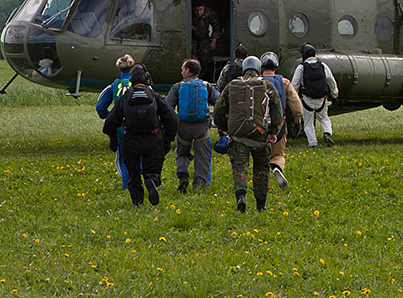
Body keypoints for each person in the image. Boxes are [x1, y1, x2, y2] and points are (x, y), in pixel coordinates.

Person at [213, 55, 283, 212]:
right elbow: (278, 111)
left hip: (238, 136)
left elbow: (218, 111)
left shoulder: (232, 85)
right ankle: (261, 205)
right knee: (261, 170)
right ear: (259, 68)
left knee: (240, 168)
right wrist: (272, 132)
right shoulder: (266, 86)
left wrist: (226, 128)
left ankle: (241, 197)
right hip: (261, 136)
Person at [103, 64, 178, 206]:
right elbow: (172, 119)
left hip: (131, 140)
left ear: (131, 80)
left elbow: (109, 123)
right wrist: (168, 140)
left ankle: (138, 203)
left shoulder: (124, 99)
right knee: (153, 169)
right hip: (152, 139)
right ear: (147, 79)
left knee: (133, 175)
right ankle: (152, 180)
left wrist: (113, 139)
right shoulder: (154, 97)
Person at [165, 58, 219, 193]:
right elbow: (219, 102)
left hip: (183, 127)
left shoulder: (177, 87)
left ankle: (183, 176)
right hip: (201, 129)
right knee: (202, 158)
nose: (181, 71)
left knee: (182, 154)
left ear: (188, 71)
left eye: (182, 69)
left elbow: (167, 107)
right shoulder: (206, 86)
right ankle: (199, 186)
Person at [259, 51, 303, 191]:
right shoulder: (284, 82)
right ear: (276, 68)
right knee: (278, 154)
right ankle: (277, 166)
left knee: (260, 156)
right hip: (279, 125)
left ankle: (264, 185)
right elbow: (297, 108)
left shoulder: (255, 82)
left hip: (259, 125)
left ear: (261, 67)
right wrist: (297, 121)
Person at [95, 54, 135, 189]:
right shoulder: (140, 84)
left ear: (119, 69)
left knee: (123, 158)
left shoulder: (114, 85)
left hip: (121, 126)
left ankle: (127, 185)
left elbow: (100, 107)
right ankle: (141, 181)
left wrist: (111, 117)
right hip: (140, 124)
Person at [291, 43, 339, 148]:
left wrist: (294, 99)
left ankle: (313, 144)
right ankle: (326, 133)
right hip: (322, 99)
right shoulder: (323, 65)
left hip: (307, 99)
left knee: (308, 123)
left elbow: (294, 85)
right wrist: (335, 95)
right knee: (324, 118)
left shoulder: (301, 67)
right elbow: (331, 81)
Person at [191, 2, 223, 81]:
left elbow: (216, 26)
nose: (198, 12)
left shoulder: (209, 13)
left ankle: (200, 77)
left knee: (205, 59)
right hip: (192, 38)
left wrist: (214, 40)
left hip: (204, 38)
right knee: (193, 58)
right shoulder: (190, 13)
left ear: (204, 7)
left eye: (200, 10)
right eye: (196, 10)